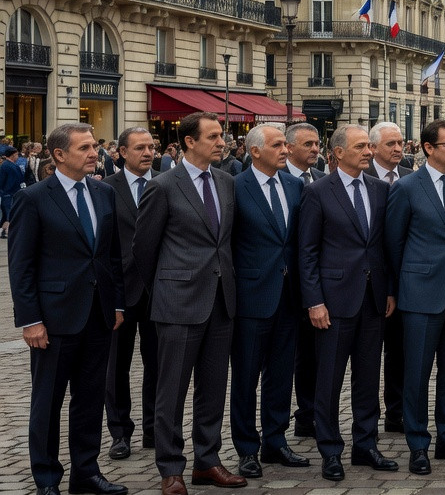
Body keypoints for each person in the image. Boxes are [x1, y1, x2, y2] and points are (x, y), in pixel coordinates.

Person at [10, 123, 127, 495]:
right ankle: (47, 479)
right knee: (48, 402)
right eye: (85, 148)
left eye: (94, 146)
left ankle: (86, 473)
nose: (95, 153)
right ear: (59, 155)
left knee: (90, 399)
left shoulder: (104, 192)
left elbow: (111, 256)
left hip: (98, 315)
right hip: (54, 318)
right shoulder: (33, 198)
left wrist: (117, 304)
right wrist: (31, 320)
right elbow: (21, 266)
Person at [130, 113, 244, 494]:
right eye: (213, 136)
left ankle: (207, 461)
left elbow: (226, 241)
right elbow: (143, 248)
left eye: (222, 135)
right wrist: (166, 288)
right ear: (190, 142)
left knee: (213, 388)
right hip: (178, 303)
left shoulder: (226, 182)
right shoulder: (163, 186)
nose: (222, 142)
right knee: (172, 390)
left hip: (221, 301)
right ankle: (171, 468)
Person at [297, 125, 397, 481]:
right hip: (334, 302)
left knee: (368, 379)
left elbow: (384, 246)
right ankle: (330, 450)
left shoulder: (380, 189)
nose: (368, 151)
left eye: (369, 146)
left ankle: (365, 445)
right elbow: (307, 252)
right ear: (338, 153)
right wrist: (314, 301)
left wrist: (389, 290)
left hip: (373, 300)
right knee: (329, 380)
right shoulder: (317, 192)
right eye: (360, 147)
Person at [382, 120, 445, 475]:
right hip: (420, 294)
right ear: (428, 148)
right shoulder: (407, 187)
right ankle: (418, 444)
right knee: (417, 373)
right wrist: (398, 288)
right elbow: (393, 243)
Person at [228, 125, 309, 479]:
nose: (285, 150)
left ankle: (275, 441)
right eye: (277, 145)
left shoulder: (294, 185)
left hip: (288, 296)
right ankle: (247, 447)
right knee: (246, 377)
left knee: (280, 375)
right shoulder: (234, 187)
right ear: (255, 151)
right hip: (251, 297)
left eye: (285, 145)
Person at [102, 128, 157, 461]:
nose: (148, 152)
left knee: (158, 364)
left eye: (151, 147)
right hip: (119, 292)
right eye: (140, 148)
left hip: (159, 290)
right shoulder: (105, 188)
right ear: (122, 152)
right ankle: (120, 433)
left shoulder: (167, 183)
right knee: (116, 367)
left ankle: (154, 429)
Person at [281, 123, 325, 438]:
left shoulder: (322, 180)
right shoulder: (278, 179)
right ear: (290, 147)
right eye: (308, 144)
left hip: (315, 282)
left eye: (317, 144)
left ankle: (308, 415)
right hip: (281, 283)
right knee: (285, 357)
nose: (315, 149)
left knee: (312, 354)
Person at [366, 122, 409, 435]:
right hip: (367, 278)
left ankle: (397, 413)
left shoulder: (410, 176)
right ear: (373, 148)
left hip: (404, 279)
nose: (398, 149)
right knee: (367, 355)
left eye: (400, 143)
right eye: (391, 143)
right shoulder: (360, 175)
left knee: (399, 352)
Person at [0, 144, 23, 237]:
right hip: (9, 193)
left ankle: (4, 230)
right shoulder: (7, 166)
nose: (18, 157)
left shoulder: (8, 165)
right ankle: (7, 231)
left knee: (7, 214)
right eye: (17, 155)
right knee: (9, 213)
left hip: (10, 193)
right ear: (13, 155)